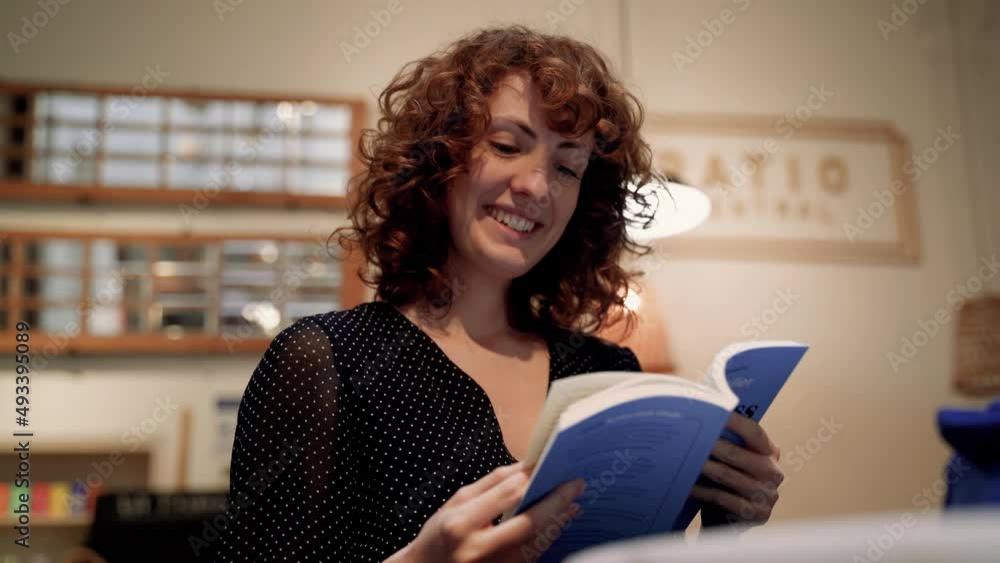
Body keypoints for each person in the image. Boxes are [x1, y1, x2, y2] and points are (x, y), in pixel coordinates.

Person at [212, 25, 784, 563]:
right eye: (508, 145)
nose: (536, 185)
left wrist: (728, 526)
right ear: (440, 159)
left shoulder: (608, 370)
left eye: (567, 167)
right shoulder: (332, 360)